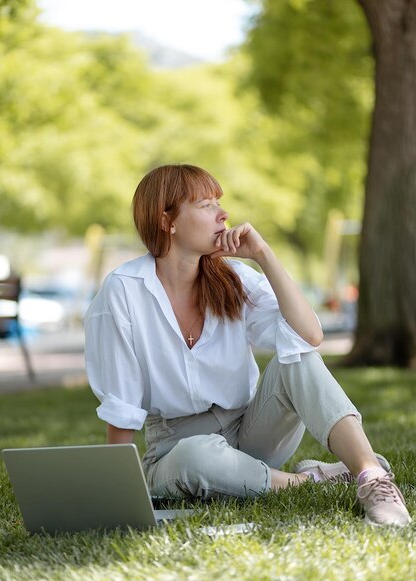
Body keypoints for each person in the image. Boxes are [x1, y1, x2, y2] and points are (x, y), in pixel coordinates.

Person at [84, 164, 411, 527]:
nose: (223, 214)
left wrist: (264, 256)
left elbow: (308, 337)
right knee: (198, 456)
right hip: (175, 449)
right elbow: (121, 405)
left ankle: (372, 479)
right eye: (206, 205)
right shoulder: (124, 291)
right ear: (167, 221)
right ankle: (310, 481)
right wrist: (117, 496)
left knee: (296, 358)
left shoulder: (234, 278)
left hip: (252, 430)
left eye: (219, 203)